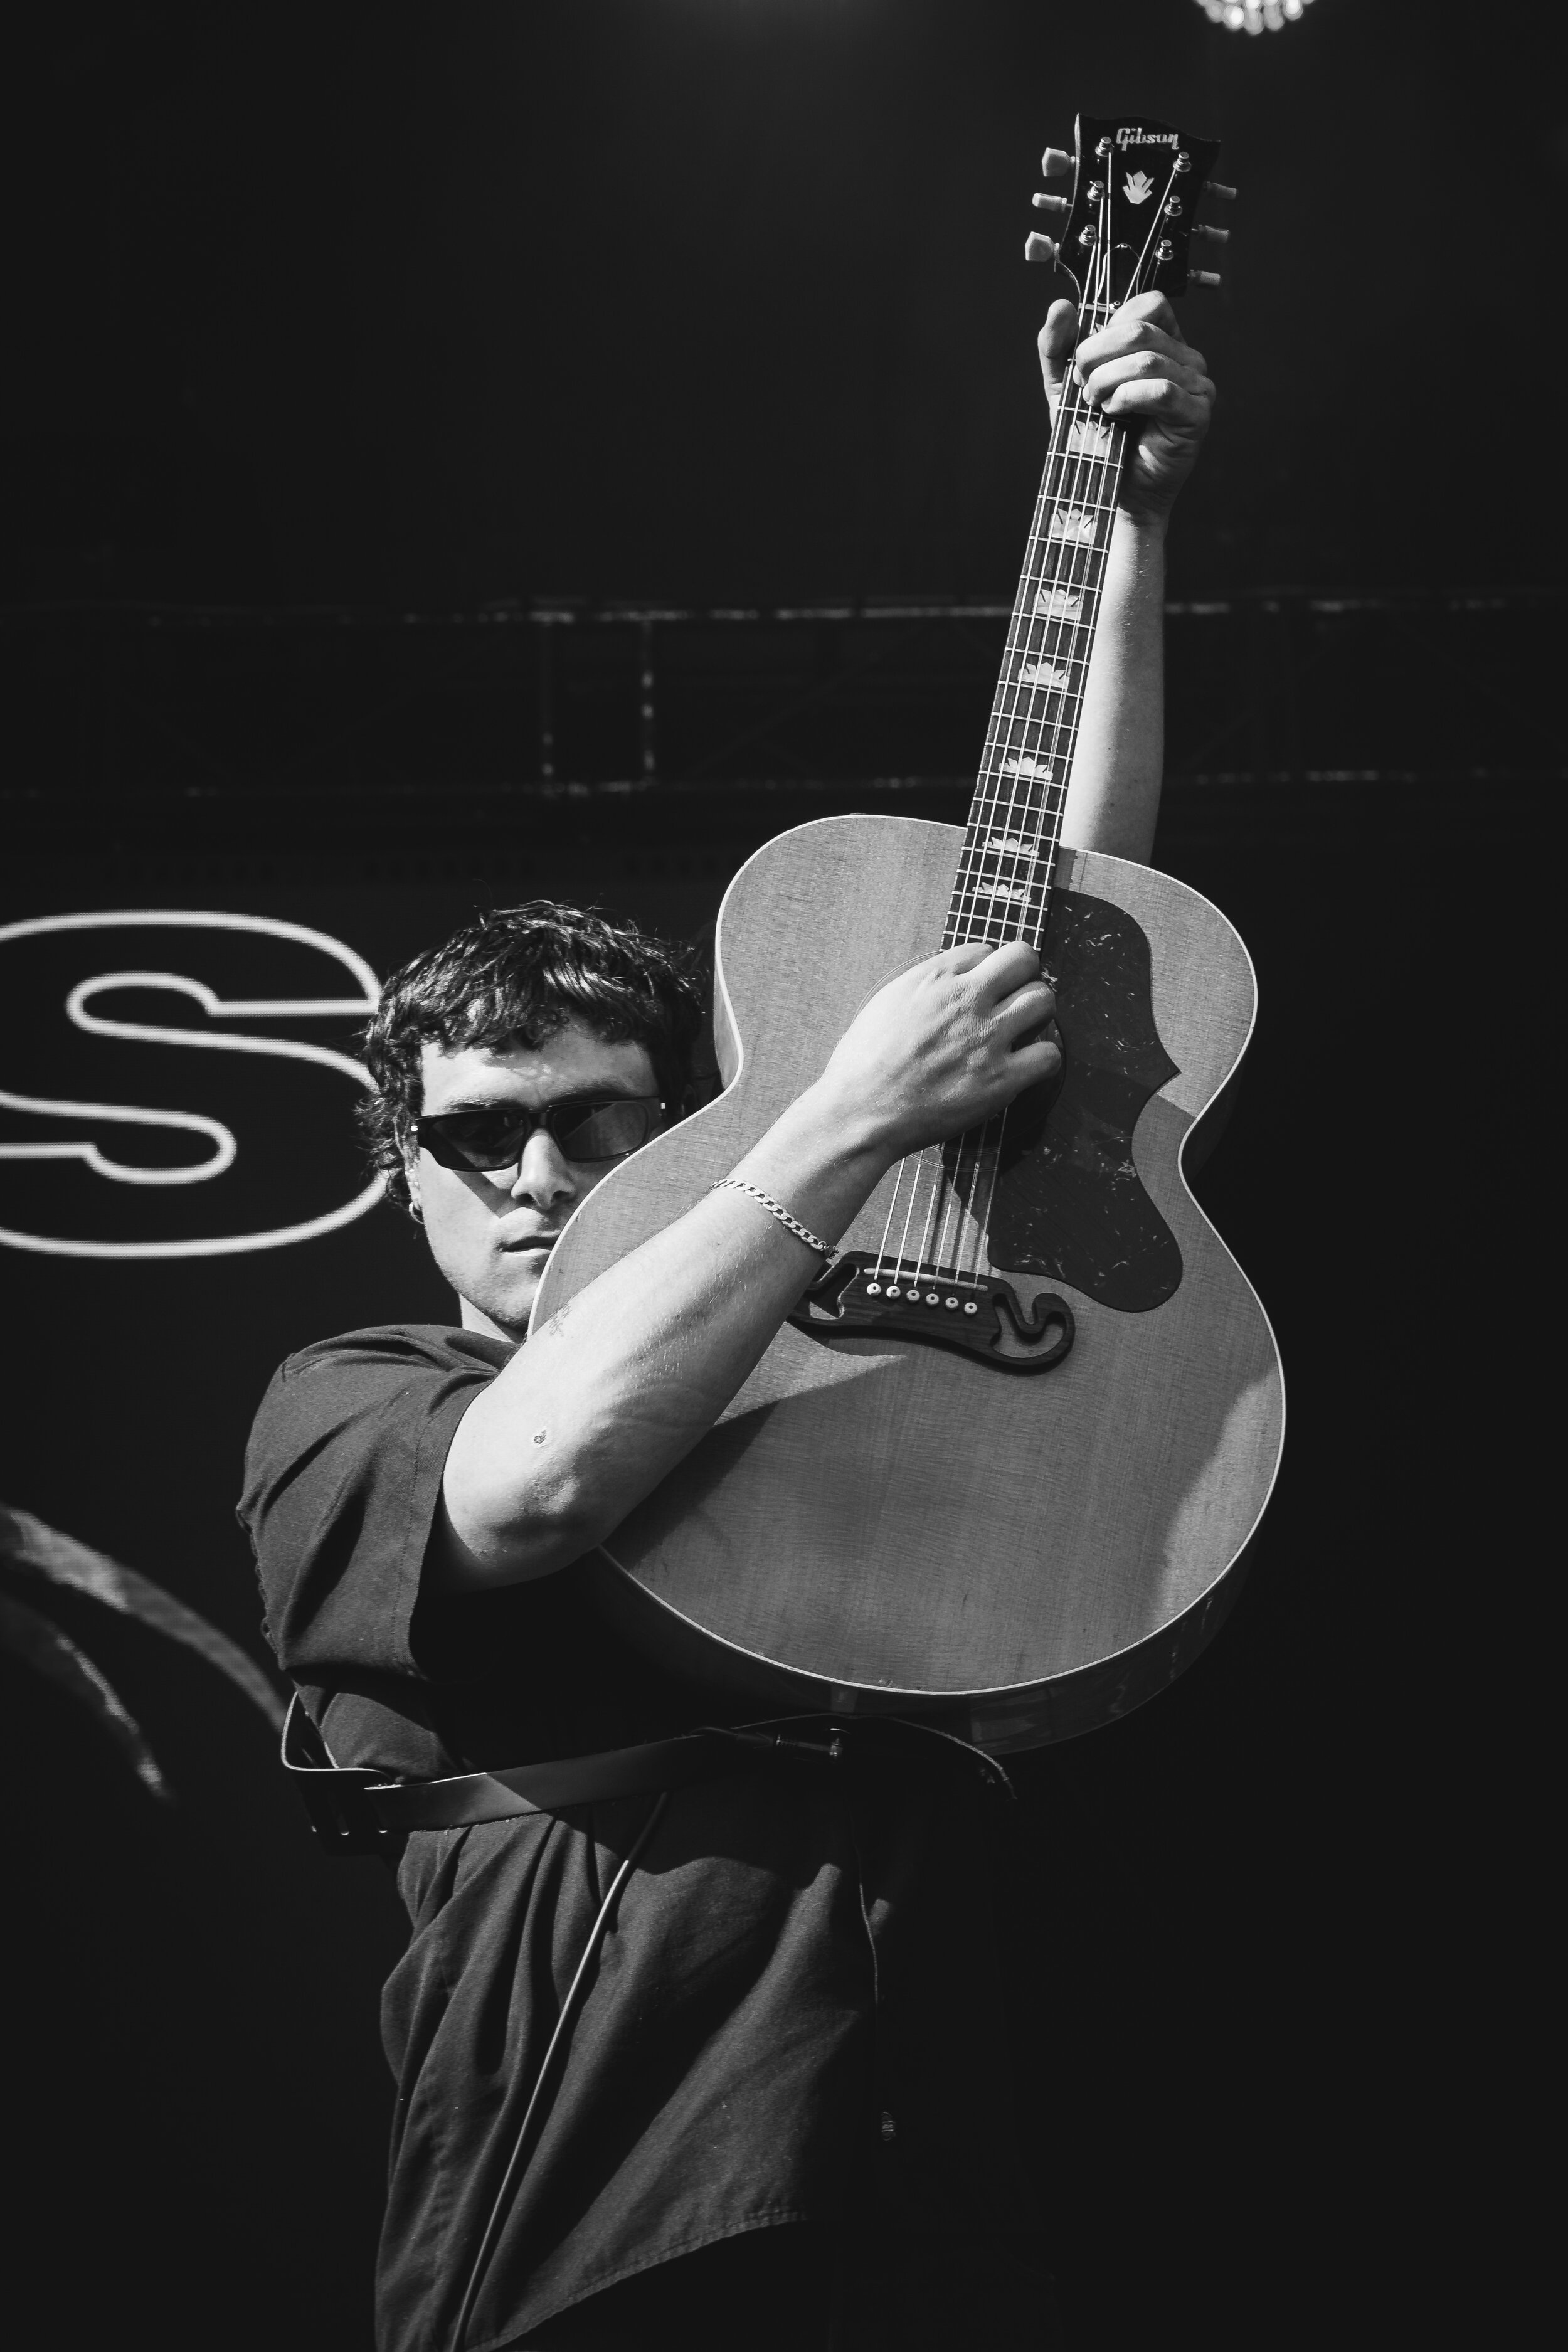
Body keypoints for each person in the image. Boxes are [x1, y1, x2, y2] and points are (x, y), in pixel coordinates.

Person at [240, 291, 1216, 2351]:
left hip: (975, 2118)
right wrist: (850, 1115)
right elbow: (540, 1489)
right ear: (395, 1167)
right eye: (474, 1138)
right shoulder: (357, 1396)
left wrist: (1114, 518)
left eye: (590, 1124)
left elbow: (1068, 945)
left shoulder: (817, 1304)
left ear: (686, 1129)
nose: (530, 1182)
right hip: (624, 2185)